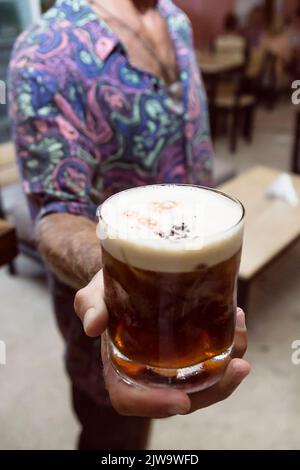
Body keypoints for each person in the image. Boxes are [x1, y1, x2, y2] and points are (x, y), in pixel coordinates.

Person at [9, 0, 250, 450]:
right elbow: (54, 215)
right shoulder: (46, 50)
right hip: (116, 326)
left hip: (195, 305)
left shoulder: (174, 19)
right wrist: (117, 279)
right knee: (115, 438)